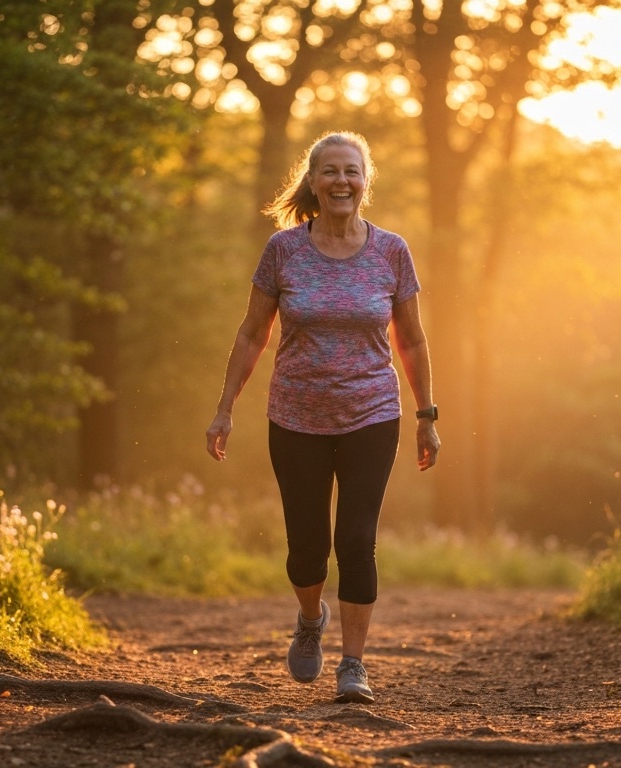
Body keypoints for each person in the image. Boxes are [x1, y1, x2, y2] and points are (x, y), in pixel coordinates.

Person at [205, 131, 440, 704]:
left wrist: (426, 414)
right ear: (312, 181)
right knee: (307, 546)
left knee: (356, 539)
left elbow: (410, 339)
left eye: (351, 172)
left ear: (366, 181)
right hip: (296, 415)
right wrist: (224, 408)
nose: (341, 181)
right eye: (329, 171)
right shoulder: (284, 250)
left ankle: (353, 666)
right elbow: (253, 332)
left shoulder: (391, 251)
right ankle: (311, 617)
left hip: (372, 413)